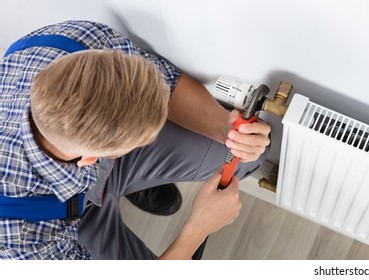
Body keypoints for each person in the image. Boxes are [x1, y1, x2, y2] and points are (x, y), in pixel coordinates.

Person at [0, 20, 271, 259]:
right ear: (96, 158)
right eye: (141, 141)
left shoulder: (81, 39)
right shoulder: (24, 243)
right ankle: (124, 188)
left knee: (245, 158)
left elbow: (171, 88)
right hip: (64, 221)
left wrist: (228, 132)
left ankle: (126, 186)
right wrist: (197, 229)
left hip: (76, 172)